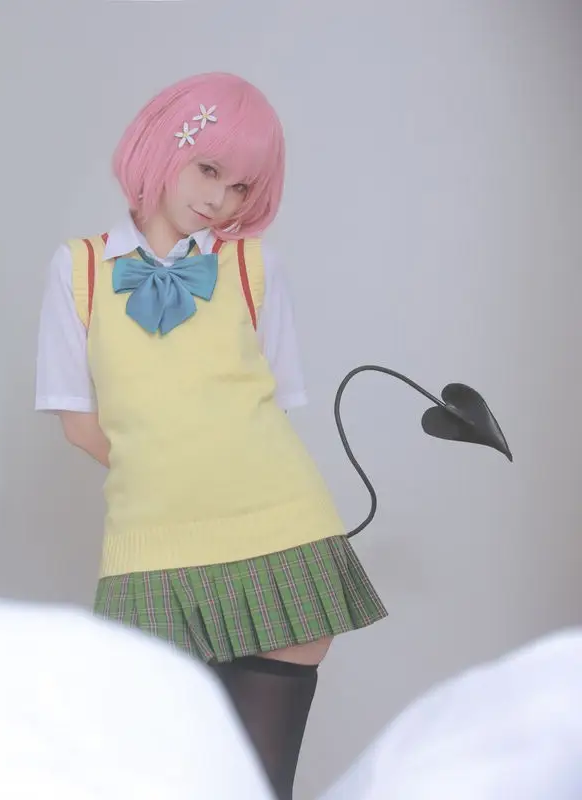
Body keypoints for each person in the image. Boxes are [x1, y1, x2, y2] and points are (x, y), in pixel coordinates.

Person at [34, 71, 387, 799]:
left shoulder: (256, 267)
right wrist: (161, 473)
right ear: (161, 147)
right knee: (160, 777)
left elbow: (266, 411)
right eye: (208, 169)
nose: (220, 198)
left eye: (240, 186)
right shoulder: (80, 268)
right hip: (150, 546)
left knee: (257, 785)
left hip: (277, 531)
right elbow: (78, 422)